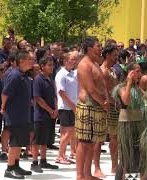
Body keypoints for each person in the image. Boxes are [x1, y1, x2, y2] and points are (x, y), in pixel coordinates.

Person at [75, 37, 109, 180]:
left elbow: (101, 85)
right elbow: (91, 89)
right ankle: (80, 175)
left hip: (96, 107)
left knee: (92, 142)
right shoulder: (84, 65)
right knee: (84, 142)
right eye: (98, 46)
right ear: (89, 48)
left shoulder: (94, 62)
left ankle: (88, 174)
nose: (100, 48)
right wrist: (104, 103)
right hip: (88, 106)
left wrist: (106, 100)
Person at [1, 49, 33, 179]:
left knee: (20, 142)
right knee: (14, 142)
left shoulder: (24, 75)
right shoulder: (14, 75)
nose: (32, 62)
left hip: (23, 115)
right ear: (22, 61)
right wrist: (3, 107)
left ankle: (16, 165)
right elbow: (5, 93)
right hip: (15, 115)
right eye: (30, 59)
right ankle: (9, 169)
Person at [113, 63, 145, 180]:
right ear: (130, 72)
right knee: (127, 156)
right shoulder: (121, 88)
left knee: (136, 156)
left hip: (138, 125)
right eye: (137, 71)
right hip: (127, 125)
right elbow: (125, 102)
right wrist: (129, 82)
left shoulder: (137, 88)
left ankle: (130, 178)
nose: (140, 74)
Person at [31, 56, 59, 173]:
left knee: (45, 139)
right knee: (37, 140)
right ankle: (34, 162)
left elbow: (54, 96)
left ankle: (43, 160)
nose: (51, 67)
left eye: (52, 65)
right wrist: (50, 110)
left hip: (50, 115)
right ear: (42, 66)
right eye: (49, 65)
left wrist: (56, 110)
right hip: (41, 115)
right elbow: (38, 98)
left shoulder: (50, 79)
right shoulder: (38, 79)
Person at [99, 44, 119, 175]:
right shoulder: (104, 70)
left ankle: (114, 166)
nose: (117, 57)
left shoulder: (111, 69)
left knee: (115, 138)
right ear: (107, 55)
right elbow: (104, 91)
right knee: (105, 138)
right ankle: (102, 167)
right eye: (115, 54)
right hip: (109, 107)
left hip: (115, 105)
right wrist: (114, 103)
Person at [55, 51, 78, 164]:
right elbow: (61, 92)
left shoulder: (72, 73)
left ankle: (63, 154)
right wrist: (73, 106)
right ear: (65, 61)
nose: (74, 61)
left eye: (75, 59)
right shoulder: (61, 74)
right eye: (71, 59)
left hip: (71, 107)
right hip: (66, 107)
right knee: (68, 132)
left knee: (68, 132)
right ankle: (59, 156)